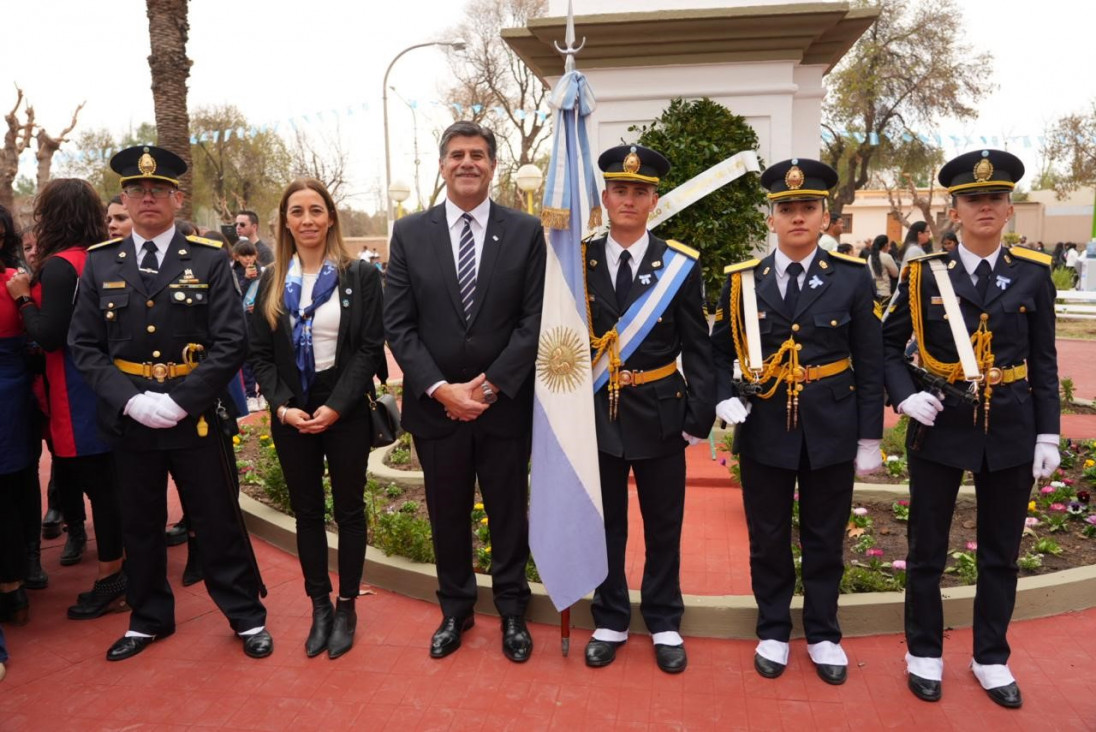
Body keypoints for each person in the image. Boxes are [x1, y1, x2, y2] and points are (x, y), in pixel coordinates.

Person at [67, 145, 272, 661]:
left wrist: (180, 401)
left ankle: (245, 615)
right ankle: (149, 617)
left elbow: (231, 341)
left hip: (194, 416)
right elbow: (84, 347)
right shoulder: (100, 264)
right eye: (137, 190)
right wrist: (132, 402)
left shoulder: (206, 257)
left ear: (177, 200)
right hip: (131, 419)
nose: (147, 198)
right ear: (125, 200)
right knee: (139, 522)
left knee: (216, 519)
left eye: (158, 190)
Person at [882, 149, 1059, 709]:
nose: (984, 206)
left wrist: (1048, 434)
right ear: (954, 210)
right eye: (972, 199)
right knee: (927, 548)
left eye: (994, 198)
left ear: (1009, 208)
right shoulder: (921, 274)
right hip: (942, 423)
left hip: (1010, 426)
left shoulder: (1032, 275)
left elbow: (1045, 360)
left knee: (1001, 554)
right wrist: (905, 396)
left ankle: (990, 657)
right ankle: (924, 654)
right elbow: (886, 346)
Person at [710, 158, 884, 685]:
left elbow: (870, 360)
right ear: (771, 219)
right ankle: (772, 629)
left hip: (831, 423)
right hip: (764, 423)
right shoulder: (742, 283)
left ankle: (824, 632)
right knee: (766, 536)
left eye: (808, 207)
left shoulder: (852, 279)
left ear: (826, 216)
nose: (797, 217)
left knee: (824, 535)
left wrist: (869, 435)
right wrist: (722, 398)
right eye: (787, 208)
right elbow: (718, 354)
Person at [384, 121, 545, 663]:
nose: (467, 163)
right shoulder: (409, 233)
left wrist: (494, 383)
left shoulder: (525, 231)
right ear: (442, 164)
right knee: (447, 512)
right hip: (438, 411)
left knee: (507, 511)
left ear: (494, 165)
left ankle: (513, 611)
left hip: (505, 408)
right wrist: (440, 389)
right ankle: (454, 608)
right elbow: (399, 324)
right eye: (457, 154)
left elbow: (534, 319)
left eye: (478, 154)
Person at [581, 145, 715, 674]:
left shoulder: (679, 264)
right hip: (595, 413)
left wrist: (696, 420)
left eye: (640, 191)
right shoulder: (579, 258)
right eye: (620, 190)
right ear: (607, 197)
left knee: (664, 525)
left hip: (662, 411)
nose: (629, 199)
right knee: (606, 524)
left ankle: (663, 619)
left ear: (654, 199)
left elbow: (698, 349)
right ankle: (610, 617)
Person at [249, 178, 384, 660]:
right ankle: (319, 606)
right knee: (307, 511)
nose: (307, 220)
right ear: (284, 220)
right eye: (297, 211)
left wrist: (337, 406)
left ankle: (347, 605)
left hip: (341, 404)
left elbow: (369, 348)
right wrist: (283, 407)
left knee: (348, 509)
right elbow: (259, 355)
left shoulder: (359, 276)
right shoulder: (268, 280)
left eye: (316, 210)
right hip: (291, 407)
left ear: (331, 217)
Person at [6, 179, 129, 619]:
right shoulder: (103, 256)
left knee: (101, 487)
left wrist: (23, 300)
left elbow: (49, 335)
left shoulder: (61, 266)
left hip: (78, 388)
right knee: (111, 484)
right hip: (111, 384)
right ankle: (122, 568)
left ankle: (113, 575)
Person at [0, 210, 36, 627]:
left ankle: (15, 582)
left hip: (11, 390)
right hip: (13, 387)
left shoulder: (16, 279)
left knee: (11, 484)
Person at [867, 234, 900, 302]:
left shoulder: (870, 257)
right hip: (885, 293)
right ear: (885, 245)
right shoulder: (886, 257)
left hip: (872, 293)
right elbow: (896, 274)